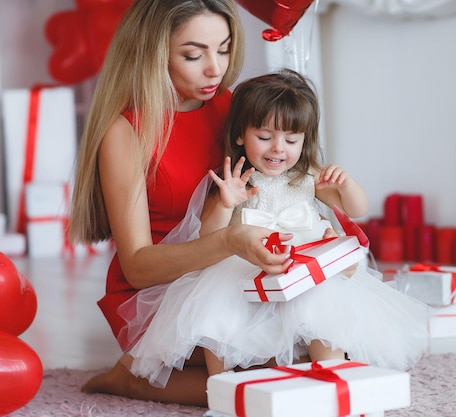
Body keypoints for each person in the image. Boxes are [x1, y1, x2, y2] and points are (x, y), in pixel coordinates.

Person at [118, 69, 432, 393]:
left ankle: (335, 382)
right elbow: (207, 234)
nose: (278, 149)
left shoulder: (307, 175)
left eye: (291, 140)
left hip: (302, 270)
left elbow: (357, 208)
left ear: (305, 141)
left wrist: (347, 185)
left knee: (322, 310)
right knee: (216, 315)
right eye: (265, 137)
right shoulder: (236, 180)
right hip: (242, 272)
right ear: (241, 134)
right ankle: (224, 390)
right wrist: (226, 203)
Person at [69, 0, 303, 407]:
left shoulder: (232, 107)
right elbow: (139, 268)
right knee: (275, 372)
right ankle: (134, 380)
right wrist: (230, 242)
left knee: (318, 348)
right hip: (156, 295)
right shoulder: (127, 132)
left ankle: (145, 374)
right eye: (193, 55)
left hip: (232, 274)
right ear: (152, 53)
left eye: (224, 48)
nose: (215, 68)